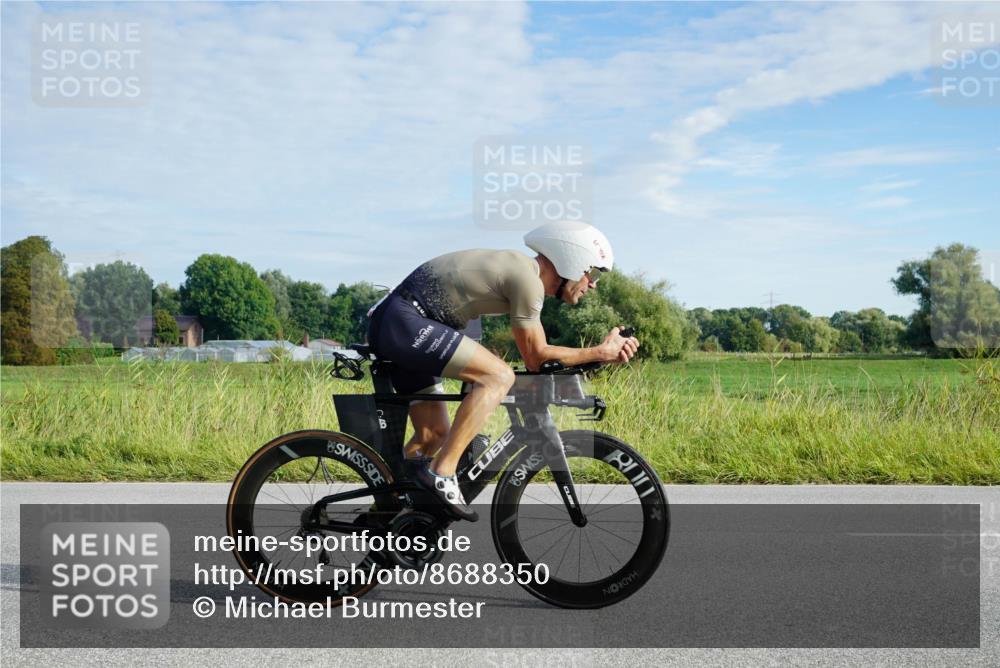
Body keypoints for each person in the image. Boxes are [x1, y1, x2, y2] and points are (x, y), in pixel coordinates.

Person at [365, 221, 639, 521]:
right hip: (405, 321)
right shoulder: (528, 279)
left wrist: (601, 357)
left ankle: (388, 515)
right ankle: (443, 475)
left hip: (403, 322)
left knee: (434, 434)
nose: (594, 284)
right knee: (498, 376)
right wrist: (600, 351)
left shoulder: (524, 274)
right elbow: (536, 357)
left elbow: (543, 360)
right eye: (593, 273)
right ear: (571, 260)